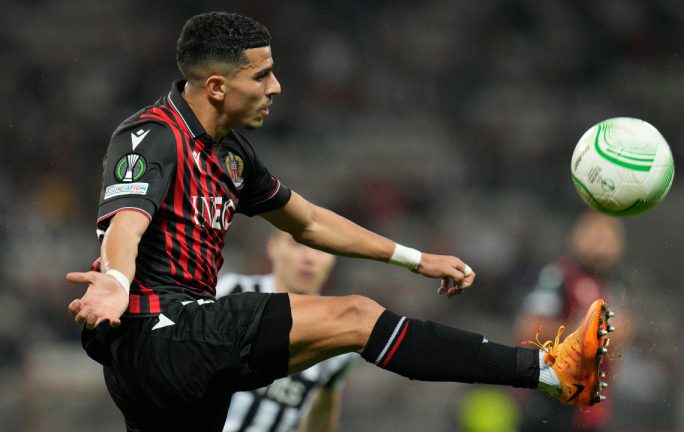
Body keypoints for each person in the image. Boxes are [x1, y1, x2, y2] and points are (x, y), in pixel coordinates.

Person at [66, 12, 613, 431]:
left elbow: (307, 222)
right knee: (356, 316)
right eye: (262, 75)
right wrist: (115, 281)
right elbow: (126, 223)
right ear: (216, 87)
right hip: (163, 331)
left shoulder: (231, 153)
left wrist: (416, 259)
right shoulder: (150, 135)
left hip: (167, 367)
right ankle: (548, 371)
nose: (276, 87)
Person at [216, 231, 354, 432]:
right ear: (273, 247)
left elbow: (323, 413)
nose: (309, 257)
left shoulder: (338, 335)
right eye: (297, 244)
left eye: (321, 248)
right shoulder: (232, 292)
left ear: (333, 258)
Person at [513, 211, 626, 432]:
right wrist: (585, 333)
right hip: (552, 401)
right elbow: (529, 327)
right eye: (595, 233)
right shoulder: (559, 275)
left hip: (590, 407)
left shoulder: (615, 285)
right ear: (576, 237)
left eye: (608, 235)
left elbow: (617, 336)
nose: (601, 241)